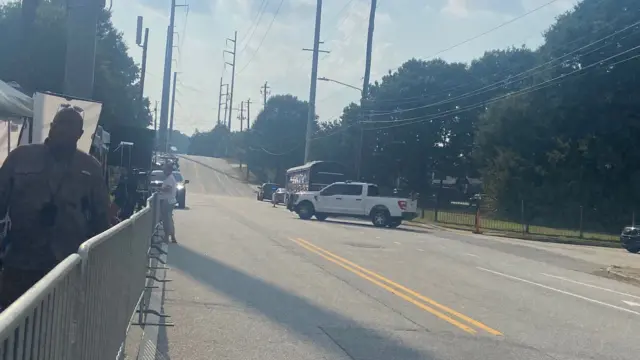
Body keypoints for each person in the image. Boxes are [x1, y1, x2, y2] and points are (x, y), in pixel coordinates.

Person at [0, 106, 112, 309]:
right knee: (13, 325)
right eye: (60, 124)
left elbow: (101, 218)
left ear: (80, 134)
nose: (64, 131)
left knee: (54, 329)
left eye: (71, 128)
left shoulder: (89, 167)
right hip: (20, 261)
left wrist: (98, 267)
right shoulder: (20, 157)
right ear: (51, 127)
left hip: (65, 267)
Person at [159, 162, 177, 243]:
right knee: (169, 219)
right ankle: (172, 236)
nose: (163, 171)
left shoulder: (169, 178)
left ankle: (166, 237)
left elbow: (168, 189)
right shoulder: (171, 178)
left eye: (165, 169)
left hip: (167, 201)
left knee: (166, 219)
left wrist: (160, 189)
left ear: (169, 170)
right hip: (171, 200)